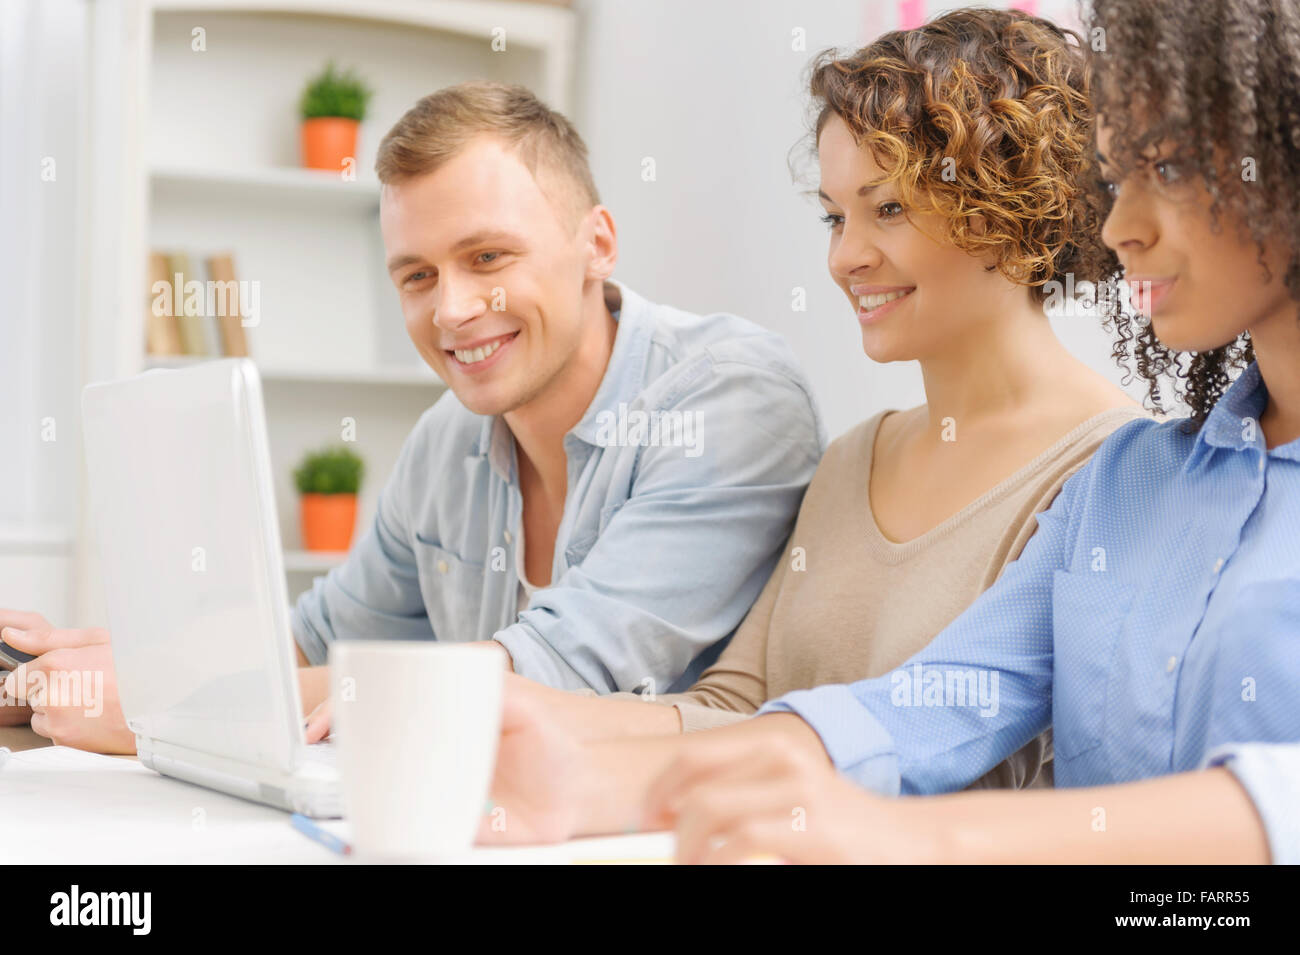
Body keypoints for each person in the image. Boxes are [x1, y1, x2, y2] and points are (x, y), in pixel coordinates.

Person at [483, 0, 1300, 863]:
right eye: (1115, 177)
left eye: (1166, 168)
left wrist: (905, 835)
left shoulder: (1087, 454)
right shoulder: (1130, 482)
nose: (1116, 227)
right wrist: (593, 780)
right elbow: (933, 700)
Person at [0, 82, 823, 753]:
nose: (453, 310)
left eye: (487, 257)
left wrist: (164, 698)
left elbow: (558, 669)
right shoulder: (449, 438)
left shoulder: (728, 396)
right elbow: (319, 637)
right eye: (417, 275)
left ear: (597, 243)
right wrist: (95, 662)